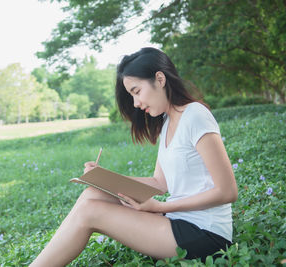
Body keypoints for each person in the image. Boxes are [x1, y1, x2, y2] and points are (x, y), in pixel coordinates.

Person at [30, 47, 238, 266]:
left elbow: (228, 191)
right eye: (132, 95)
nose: (136, 103)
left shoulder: (195, 115)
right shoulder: (167, 124)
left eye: (137, 91)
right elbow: (160, 183)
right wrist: (102, 178)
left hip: (206, 234)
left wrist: (160, 208)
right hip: (178, 222)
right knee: (92, 195)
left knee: (90, 212)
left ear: (159, 79)